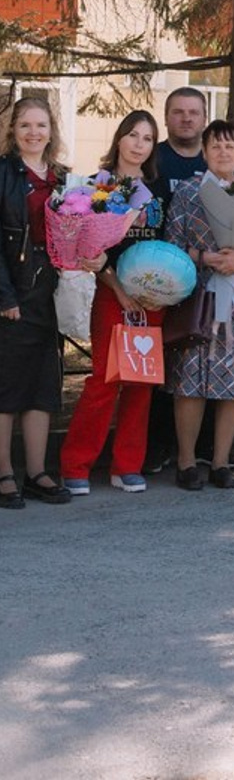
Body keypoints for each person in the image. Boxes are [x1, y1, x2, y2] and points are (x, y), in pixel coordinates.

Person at [60, 110, 165, 495]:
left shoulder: (159, 188)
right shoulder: (97, 187)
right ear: (119, 138)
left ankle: (127, 464)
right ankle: (75, 465)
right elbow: (88, 248)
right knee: (104, 380)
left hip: (153, 298)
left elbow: (166, 242)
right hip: (110, 292)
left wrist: (158, 290)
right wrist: (119, 288)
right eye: (133, 135)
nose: (139, 144)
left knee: (141, 381)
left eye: (148, 138)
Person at [165, 121, 234, 491]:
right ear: (205, 151)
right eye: (215, 146)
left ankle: (222, 461)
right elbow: (173, 243)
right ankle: (186, 461)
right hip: (201, 294)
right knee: (191, 379)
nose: (223, 152)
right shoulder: (189, 193)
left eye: (230, 146)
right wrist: (206, 257)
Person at [0, 98, 78, 508]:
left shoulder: (65, 178)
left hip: (53, 293)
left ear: (52, 129)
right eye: (25, 125)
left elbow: (80, 231)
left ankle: (37, 472)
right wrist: (4, 296)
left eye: (41, 125)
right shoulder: (3, 174)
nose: (33, 132)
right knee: (8, 387)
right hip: (14, 293)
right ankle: (4, 475)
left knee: (44, 387)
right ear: (13, 130)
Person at [145, 86, 211, 475]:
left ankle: (205, 447)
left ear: (204, 118)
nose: (186, 119)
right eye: (178, 112)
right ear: (166, 117)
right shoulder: (155, 160)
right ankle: (158, 448)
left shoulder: (214, 160)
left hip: (208, 279)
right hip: (156, 279)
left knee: (203, 362)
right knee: (158, 365)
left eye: (193, 112)